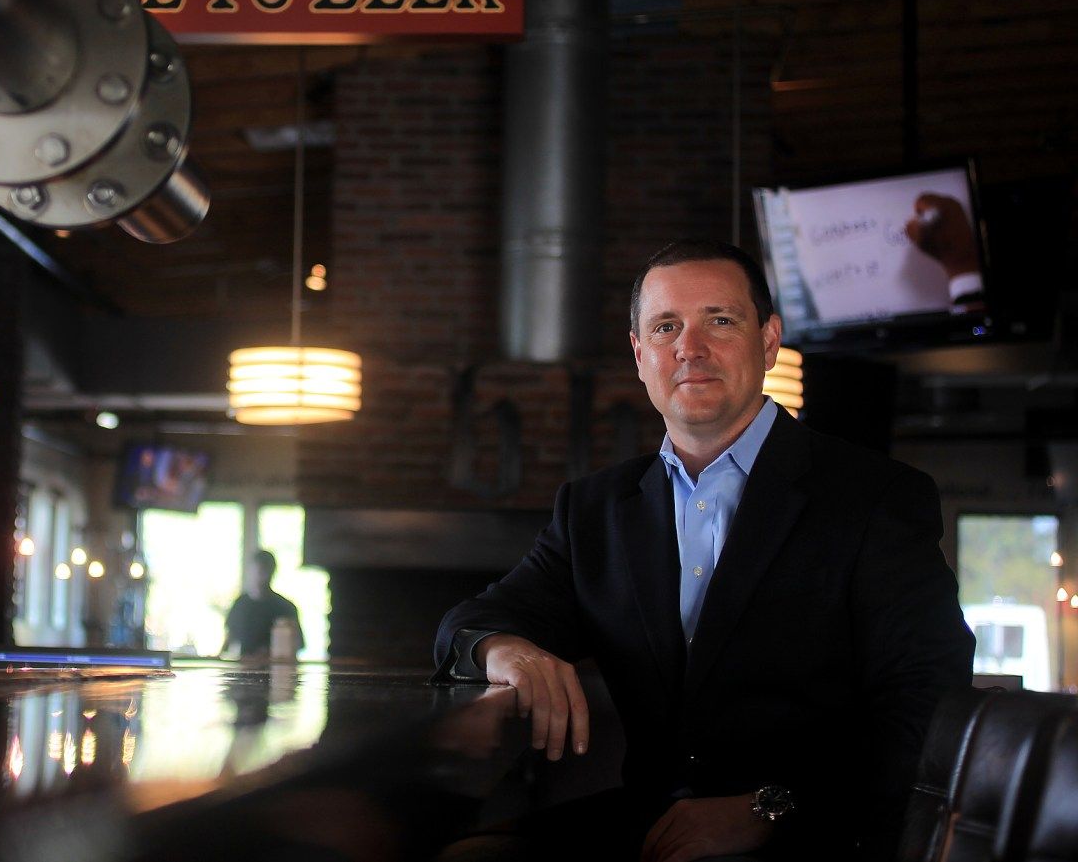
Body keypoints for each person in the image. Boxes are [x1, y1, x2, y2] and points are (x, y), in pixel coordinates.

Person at [434, 239, 975, 862]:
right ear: (641, 356)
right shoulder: (594, 509)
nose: (690, 348)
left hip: (818, 833)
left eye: (720, 320)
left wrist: (769, 808)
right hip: (652, 826)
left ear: (768, 341)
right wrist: (504, 649)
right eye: (666, 327)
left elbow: (928, 702)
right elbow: (468, 623)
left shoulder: (876, 497)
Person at [225, 550, 304, 659]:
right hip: (244, 669)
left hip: (276, 669)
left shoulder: (285, 607)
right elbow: (230, 637)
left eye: (265, 571)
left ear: (273, 572)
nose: (262, 576)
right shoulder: (240, 604)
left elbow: (297, 643)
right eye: (259, 571)